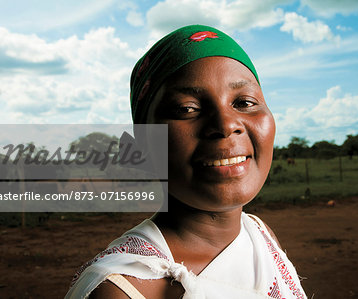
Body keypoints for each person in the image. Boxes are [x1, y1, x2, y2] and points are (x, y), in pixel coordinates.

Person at [65, 25, 306, 299]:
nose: (226, 124)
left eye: (244, 102)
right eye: (187, 109)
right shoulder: (122, 290)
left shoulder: (260, 235)